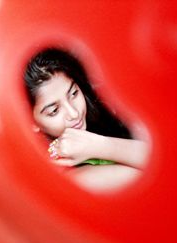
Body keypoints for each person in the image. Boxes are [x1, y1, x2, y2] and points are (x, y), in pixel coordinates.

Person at [24, 47, 149, 192]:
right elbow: (161, 172)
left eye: (74, 93)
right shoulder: (66, 176)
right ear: (30, 121)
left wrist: (96, 145)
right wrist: (97, 147)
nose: (74, 113)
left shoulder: (103, 105)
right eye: (54, 111)